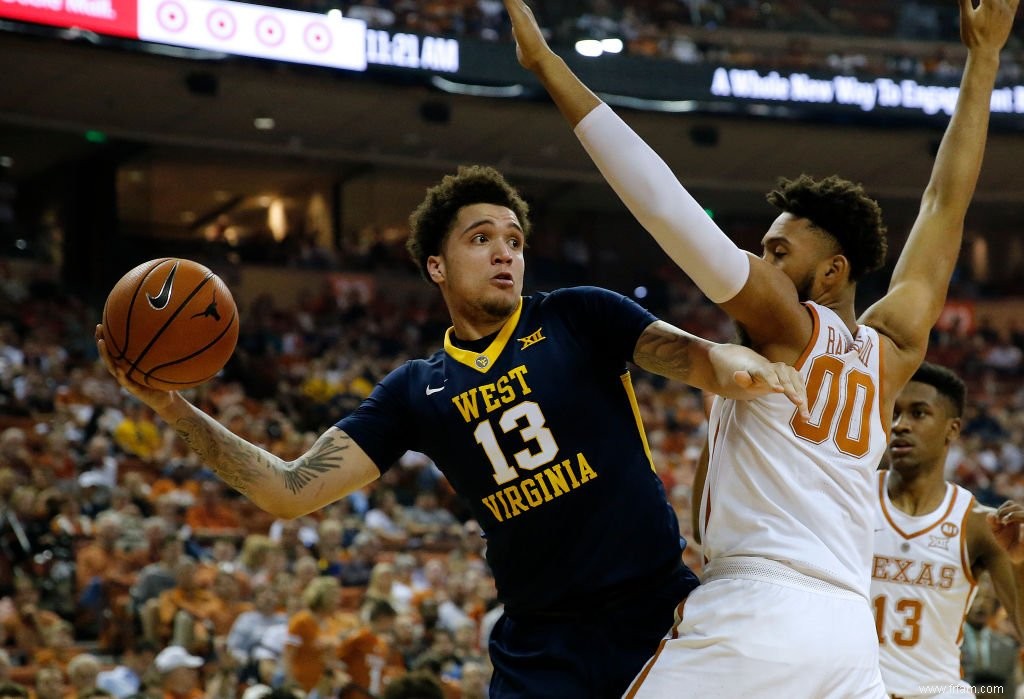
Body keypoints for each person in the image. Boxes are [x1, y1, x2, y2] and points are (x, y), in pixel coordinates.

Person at [96, 164, 808, 698]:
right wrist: (172, 408)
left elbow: (694, 356)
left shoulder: (577, 316)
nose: (505, 252)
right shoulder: (415, 390)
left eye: (514, 240)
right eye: (481, 238)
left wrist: (740, 364)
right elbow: (288, 491)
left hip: (656, 615)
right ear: (436, 265)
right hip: (540, 646)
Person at [501, 0, 1017, 694]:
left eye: (779, 251)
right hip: (847, 635)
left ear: (831, 273)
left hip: (757, 609)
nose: (764, 263)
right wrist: (983, 59)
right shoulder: (892, 349)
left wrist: (549, 68)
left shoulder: (788, 323)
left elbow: (668, 209)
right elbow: (942, 206)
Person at [873, 362, 1024, 698]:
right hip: (853, 688)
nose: (900, 425)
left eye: (918, 413)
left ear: (952, 429)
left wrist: (1021, 562)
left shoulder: (979, 524)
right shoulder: (850, 498)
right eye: (894, 413)